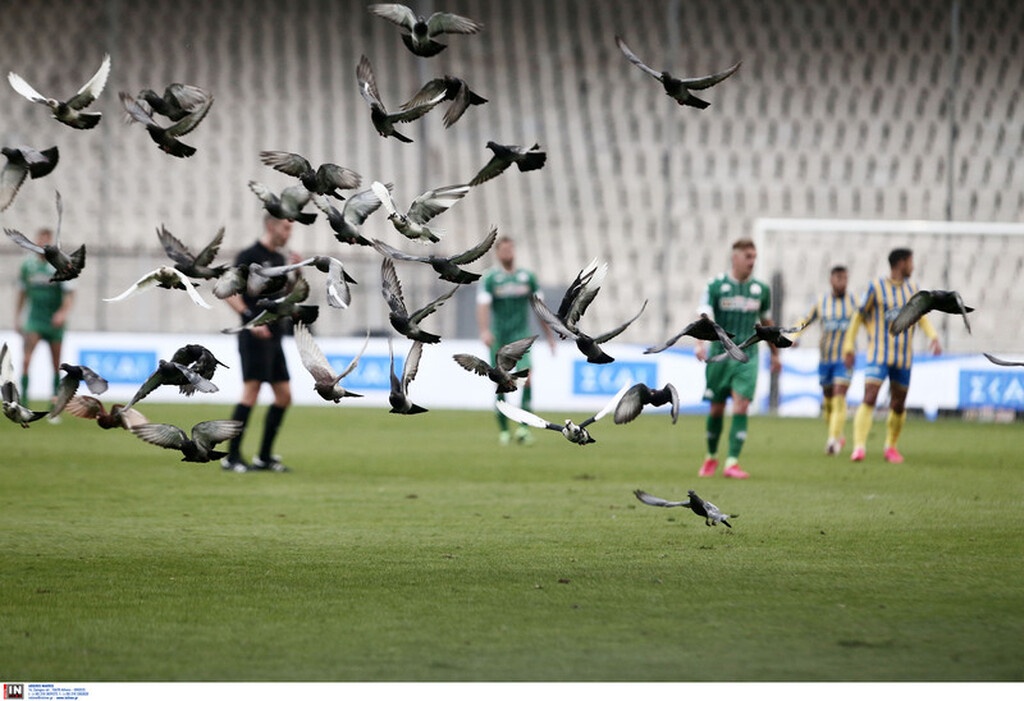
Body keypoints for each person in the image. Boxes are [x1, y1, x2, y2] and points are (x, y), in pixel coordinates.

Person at [841, 247, 941, 463]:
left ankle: (891, 447)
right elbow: (858, 317)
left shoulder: (913, 289)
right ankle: (859, 447)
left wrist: (933, 336)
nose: (912, 267)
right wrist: (849, 346)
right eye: (910, 262)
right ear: (901, 263)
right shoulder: (876, 287)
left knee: (898, 403)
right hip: (878, 353)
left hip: (903, 356)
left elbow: (921, 317)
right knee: (870, 396)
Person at [694, 238, 781, 479]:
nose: (752, 262)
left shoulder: (761, 290)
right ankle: (711, 456)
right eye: (748, 257)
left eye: (754, 257)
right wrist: (699, 342)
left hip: (748, 355)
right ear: (735, 258)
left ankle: (732, 462)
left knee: (741, 405)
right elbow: (704, 315)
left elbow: (766, 324)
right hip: (720, 354)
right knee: (717, 409)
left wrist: (775, 354)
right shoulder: (716, 285)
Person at [221, 214, 300, 473]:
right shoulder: (248, 256)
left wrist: (296, 272)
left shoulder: (279, 259)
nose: (289, 233)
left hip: (275, 336)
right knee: (251, 392)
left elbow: (286, 296)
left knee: (284, 396)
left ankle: (264, 457)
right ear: (271, 226)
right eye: (286, 228)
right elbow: (227, 291)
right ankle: (231, 457)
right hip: (254, 335)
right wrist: (249, 319)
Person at [476, 235, 556, 446]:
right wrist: (484, 331)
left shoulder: (527, 277)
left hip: (521, 336)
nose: (508, 253)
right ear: (498, 253)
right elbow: (483, 305)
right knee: (502, 382)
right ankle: (504, 430)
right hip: (499, 337)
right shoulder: (491, 278)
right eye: (504, 250)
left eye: (511, 249)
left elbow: (539, 308)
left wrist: (549, 336)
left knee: (527, 378)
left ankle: (523, 428)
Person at [791, 265, 857, 455]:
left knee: (839, 396)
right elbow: (805, 320)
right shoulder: (822, 302)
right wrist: (793, 337)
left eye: (844, 278)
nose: (842, 282)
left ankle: (832, 441)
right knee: (828, 401)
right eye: (838, 278)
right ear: (831, 280)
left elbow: (867, 322)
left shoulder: (855, 302)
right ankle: (837, 433)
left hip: (844, 359)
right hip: (825, 358)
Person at [15, 227, 74, 414]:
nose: (42, 245)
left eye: (46, 242)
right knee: (25, 360)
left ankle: (54, 403)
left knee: (55, 363)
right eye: (40, 241)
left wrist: (62, 313)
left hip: (54, 322)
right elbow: (22, 293)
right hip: (35, 320)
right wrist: (17, 317)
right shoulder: (27, 266)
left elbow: (69, 295)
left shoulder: (60, 266)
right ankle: (23, 401)